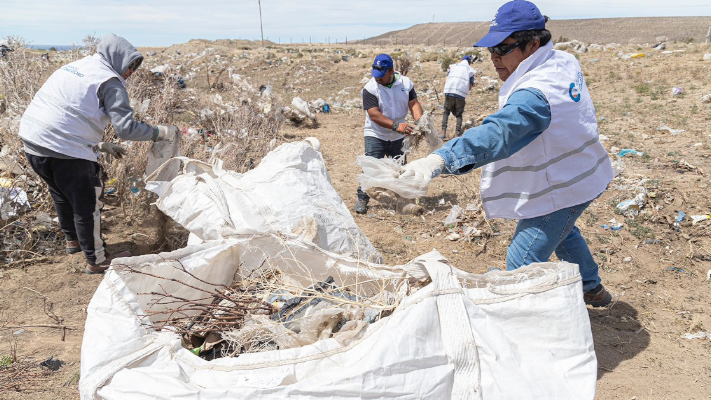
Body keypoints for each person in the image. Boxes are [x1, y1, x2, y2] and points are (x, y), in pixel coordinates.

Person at [401, 0, 614, 307]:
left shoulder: (537, 93)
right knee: (564, 233)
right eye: (490, 50)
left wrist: (440, 159)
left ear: (533, 44)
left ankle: (521, 329)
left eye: (502, 49)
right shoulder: (561, 60)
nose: (494, 58)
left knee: (521, 260)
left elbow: (499, 132)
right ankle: (593, 290)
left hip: (563, 183)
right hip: (581, 171)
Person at [19, 34, 178, 274]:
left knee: (61, 193)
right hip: (65, 150)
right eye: (129, 67)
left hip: (33, 141)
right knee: (88, 204)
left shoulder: (76, 67)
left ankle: (73, 241)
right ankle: (97, 259)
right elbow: (126, 129)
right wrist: (157, 132)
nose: (130, 73)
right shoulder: (110, 82)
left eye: (134, 68)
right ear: (118, 60)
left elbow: (69, 110)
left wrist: (97, 144)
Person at [355, 53, 423, 214]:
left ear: (391, 71)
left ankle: (403, 200)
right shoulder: (370, 88)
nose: (377, 79)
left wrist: (421, 122)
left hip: (398, 135)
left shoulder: (405, 84)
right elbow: (374, 115)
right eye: (375, 75)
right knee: (371, 167)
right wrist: (396, 126)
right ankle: (362, 198)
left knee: (400, 169)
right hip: (376, 133)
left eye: (381, 76)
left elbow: (414, 104)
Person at [441, 55, 476, 139]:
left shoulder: (454, 67)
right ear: (469, 62)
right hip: (460, 95)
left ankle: (443, 133)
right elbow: (470, 87)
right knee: (459, 114)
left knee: (446, 112)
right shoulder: (470, 70)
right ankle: (457, 134)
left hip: (449, 92)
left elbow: (445, 80)